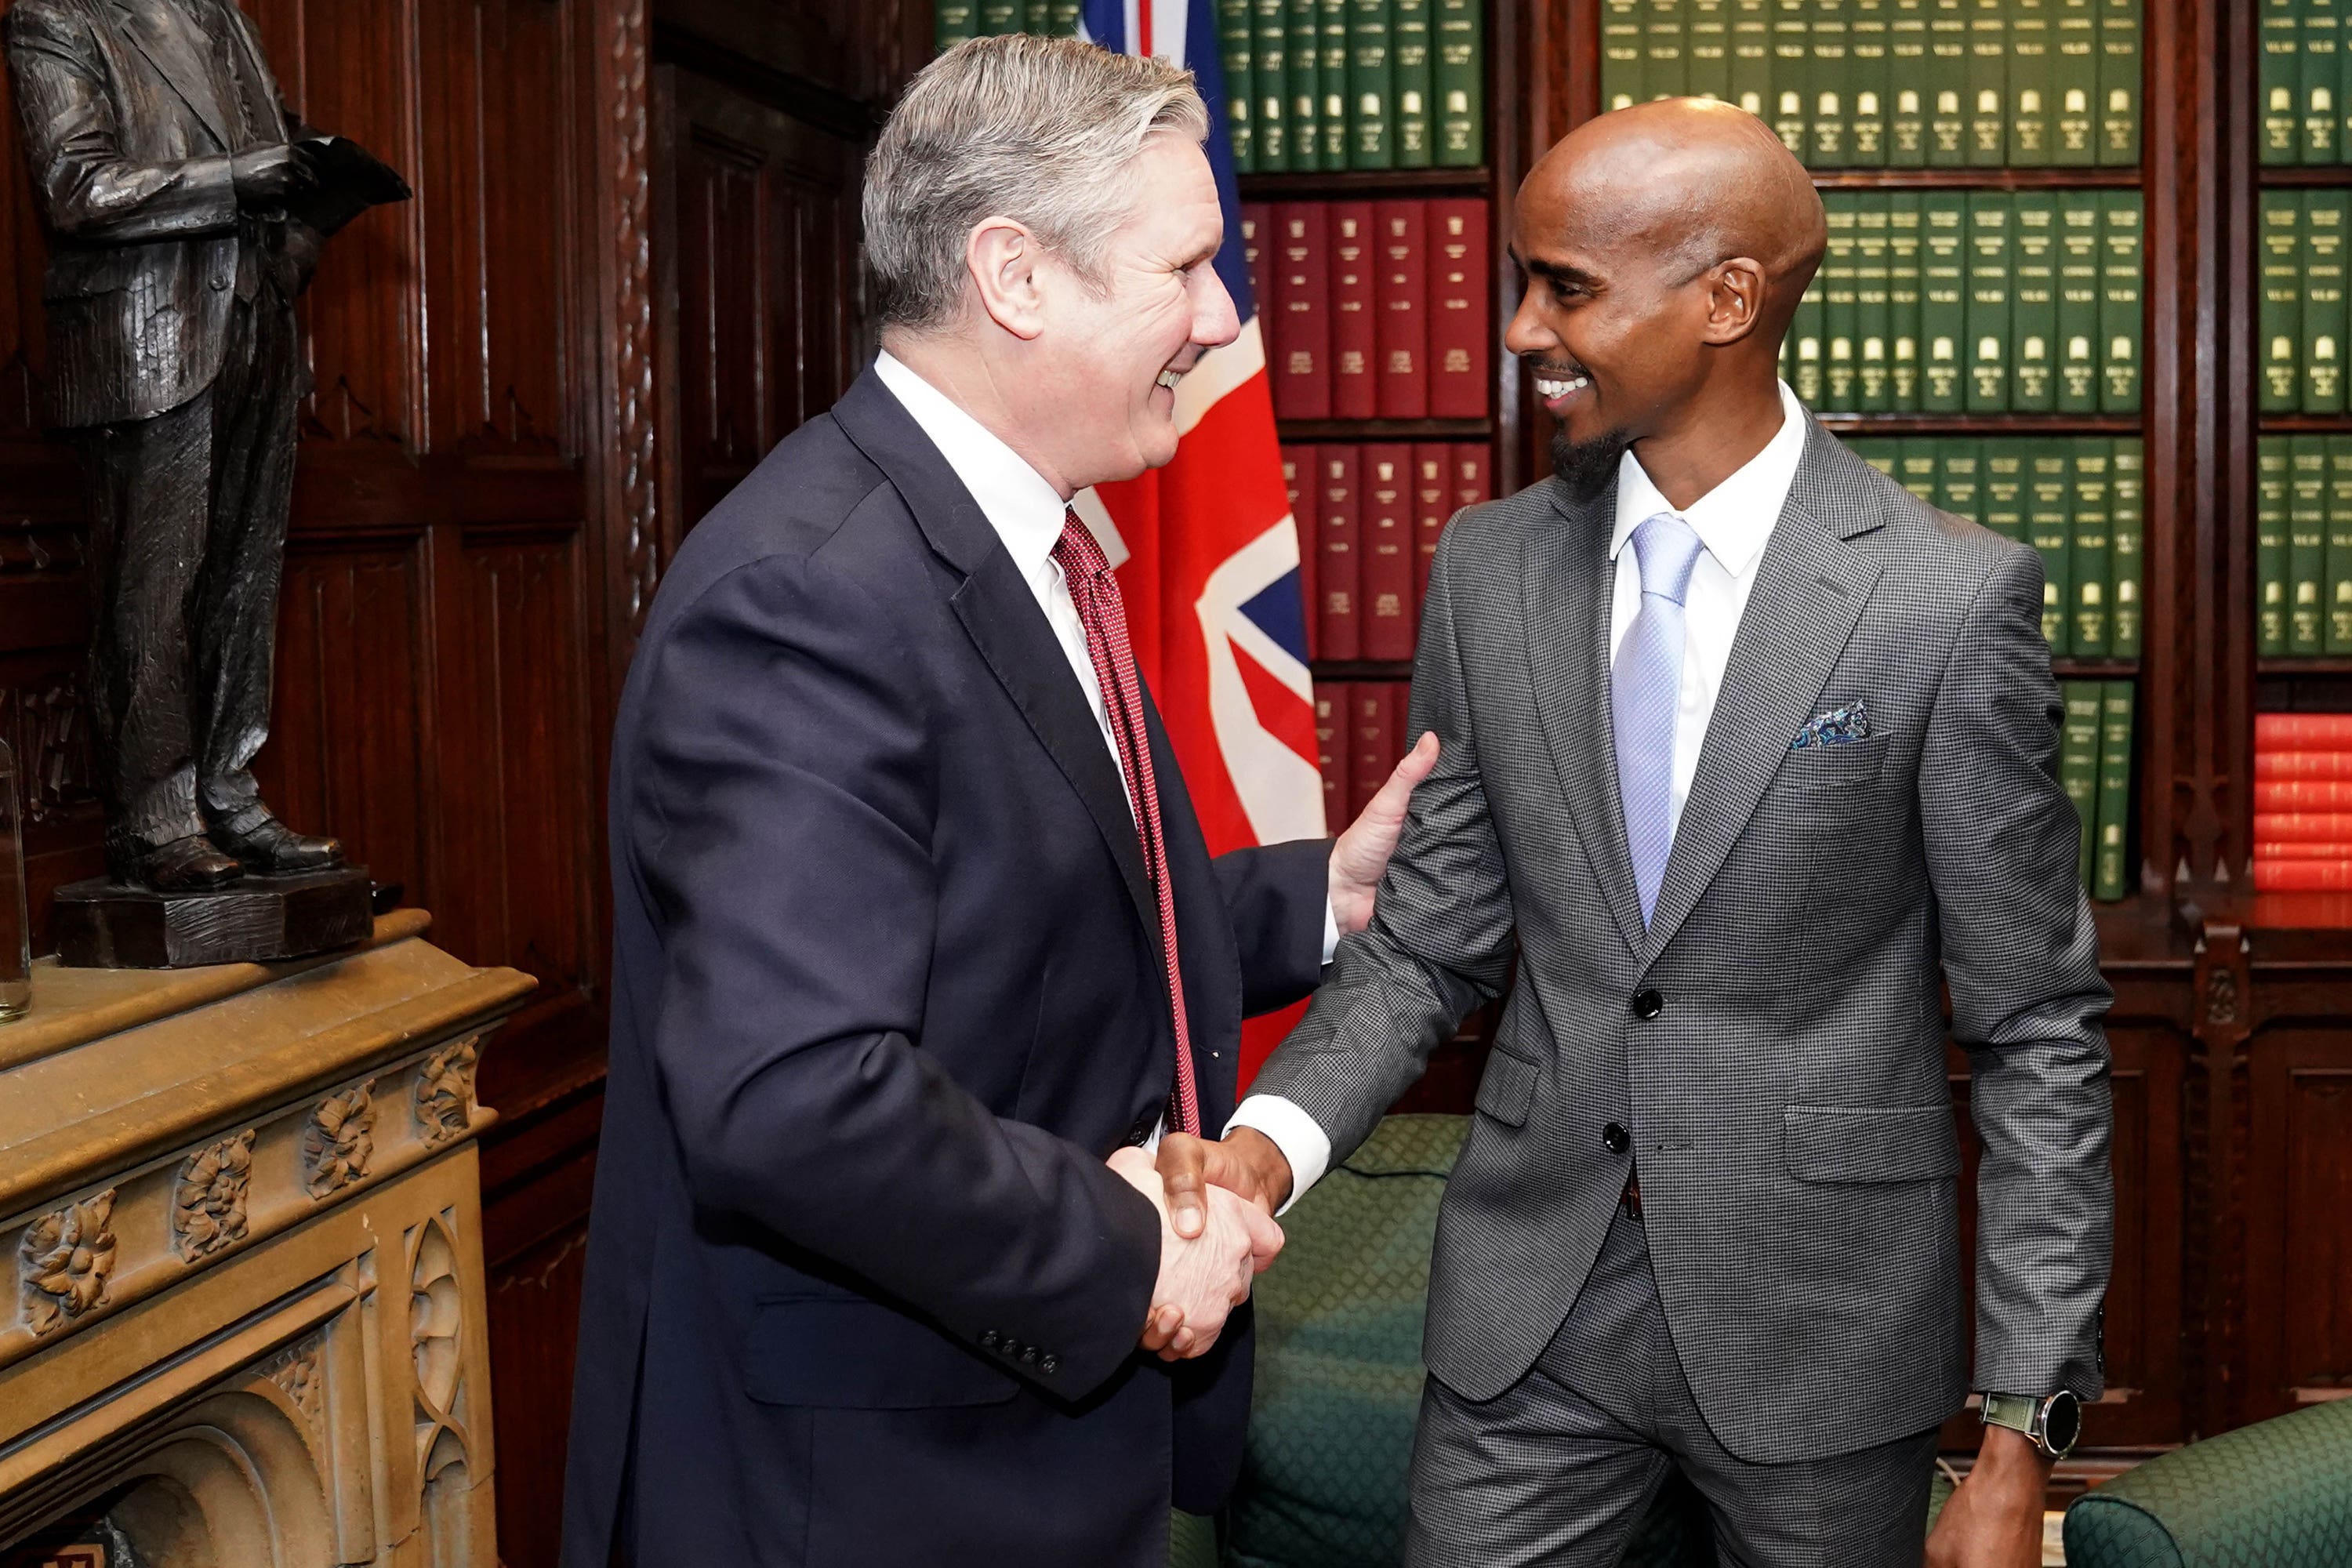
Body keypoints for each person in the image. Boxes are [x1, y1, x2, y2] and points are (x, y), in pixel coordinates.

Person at [1160, 99, 2113, 1567]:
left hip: (1824, 1334)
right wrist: (1265, 1151)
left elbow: (2040, 1026)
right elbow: (1427, 944)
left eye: (1570, 288)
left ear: (1727, 299)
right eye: (1525, 281)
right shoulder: (1487, 567)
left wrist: (2017, 1436)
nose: (1524, 330)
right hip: (1526, 1321)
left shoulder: (1942, 602)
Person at [558, 34, 1432, 1568]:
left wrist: (1320, 900)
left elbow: (1023, 912)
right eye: (1187, 267)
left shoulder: (1017, 546)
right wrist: (1130, 1246)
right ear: (1016, 276)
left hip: (999, 1449)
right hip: (860, 1496)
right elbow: (794, 1092)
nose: (1223, 322)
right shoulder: (809, 600)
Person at [5, 0, 365, 889]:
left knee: (242, 584)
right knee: (152, 591)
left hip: (253, 332)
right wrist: (235, 178)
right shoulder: (56, 18)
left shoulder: (222, 16)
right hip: (144, 341)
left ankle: (228, 795)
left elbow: (289, 154)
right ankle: (156, 824)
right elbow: (77, 185)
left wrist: (295, 250)